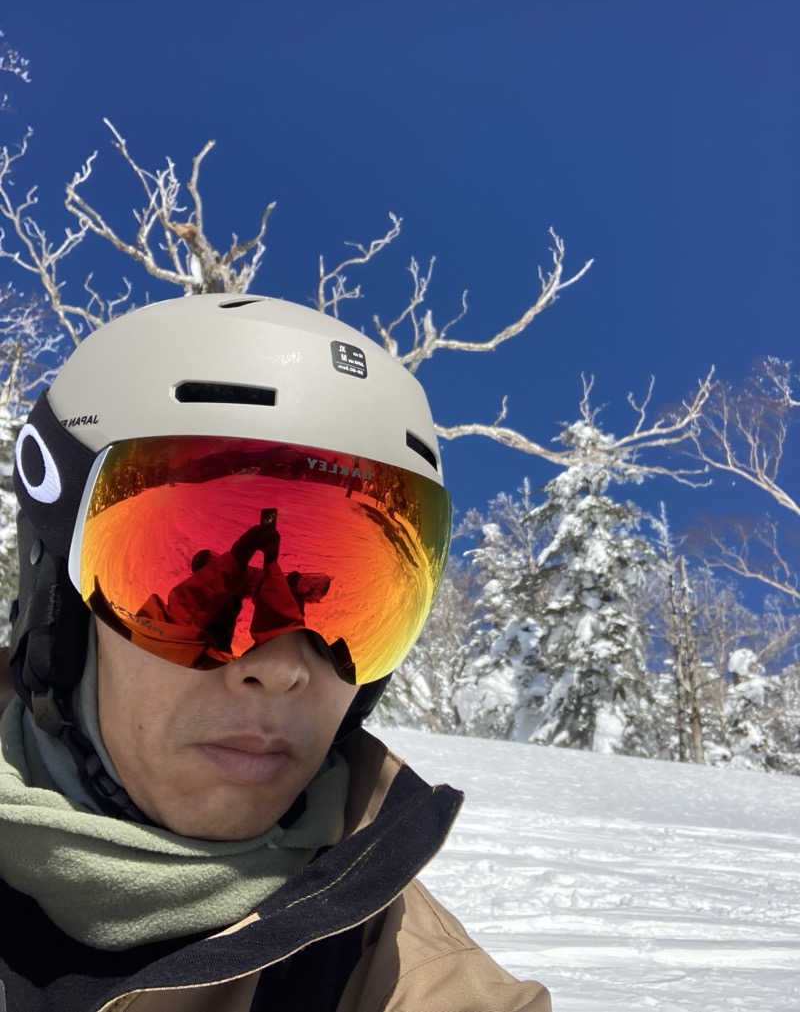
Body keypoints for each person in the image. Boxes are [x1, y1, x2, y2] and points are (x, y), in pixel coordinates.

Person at [0, 293, 551, 1012]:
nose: (285, 668)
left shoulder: (397, 972)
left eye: (351, 604)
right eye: (186, 586)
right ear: (59, 609)